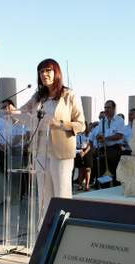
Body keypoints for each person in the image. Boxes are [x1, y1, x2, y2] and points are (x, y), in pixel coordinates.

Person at [10, 58, 85, 216]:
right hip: (41, 151)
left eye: (48, 70)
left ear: (56, 72)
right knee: (44, 196)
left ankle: (64, 229)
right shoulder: (38, 97)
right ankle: (44, 231)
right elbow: (22, 114)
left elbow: (81, 125)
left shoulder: (69, 95)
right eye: (41, 71)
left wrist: (59, 124)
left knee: (62, 193)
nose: (44, 74)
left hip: (61, 152)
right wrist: (11, 111)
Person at [91, 100, 125, 186]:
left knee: (114, 171)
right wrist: (100, 137)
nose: (106, 109)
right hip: (103, 149)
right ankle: (104, 188)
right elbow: (97, 134)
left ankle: (114, 189)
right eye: (105, 107)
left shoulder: (119, 120)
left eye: (108, 107)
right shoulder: (102, 121)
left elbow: (119, 136)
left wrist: (105, 138)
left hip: (114, 150)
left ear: (114, 108)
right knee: (102, 171)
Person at [74, 122, 93, 191]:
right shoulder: (77, 134)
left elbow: (89, 145)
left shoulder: (89, 134)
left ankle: (87, 185)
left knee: (87, 169)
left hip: (87, 152)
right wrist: (79, 151)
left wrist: (84, 152)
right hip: (79, 151)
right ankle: (80, 185)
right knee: (80, 169)